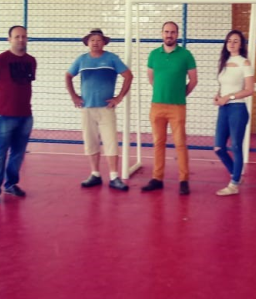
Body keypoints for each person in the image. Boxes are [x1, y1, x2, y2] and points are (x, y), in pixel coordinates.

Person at [65, 28, 134, 191]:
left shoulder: (111, 58)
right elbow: (68, 76)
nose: (95, 43)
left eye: (98, 40)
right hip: (87, 108)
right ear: (87, 43)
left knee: (110, 141)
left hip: (106, 108)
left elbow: (128, 76)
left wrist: (119, 97)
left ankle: (114, 177)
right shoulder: (81, 60)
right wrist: (74, 96)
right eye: (92, 40)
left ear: (104, 42)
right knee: (91, 141)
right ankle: (95, 174)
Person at [141, 21, 198, 195]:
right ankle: (157, 178)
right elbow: (151, 79)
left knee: (180, 144)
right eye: (166, 32)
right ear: (162, 33)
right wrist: (162, 92)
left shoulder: (186, 55)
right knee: (158, 143)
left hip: (177, 107)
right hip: (157, 105)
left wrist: (180, 94)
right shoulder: (153, 55)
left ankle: (184, 180)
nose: (169, 35)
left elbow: (193, 80)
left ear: (177, 34)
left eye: (172, 32)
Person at [0, 25, 36, 205]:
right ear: (9, 39)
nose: (21, 39)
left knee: (18, 153)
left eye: (24, 36)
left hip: (25, 116)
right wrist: (2, 100)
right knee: (0, 153)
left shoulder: (31, 61)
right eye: (17, 37)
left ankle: (11, 184)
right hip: (5, 116)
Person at [213, 30, 255, 196]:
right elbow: (224, 85)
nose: (231, 44)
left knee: (236, 146)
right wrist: (218, 95)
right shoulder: (225, 62)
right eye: (229, 40)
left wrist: (228, 97)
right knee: (218, 148)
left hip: (237, 109)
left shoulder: (244, 63)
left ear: (241, 44)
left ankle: (234, 184)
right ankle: (236, 175)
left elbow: (249, 90)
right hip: (224, 109)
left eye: (235, 41)